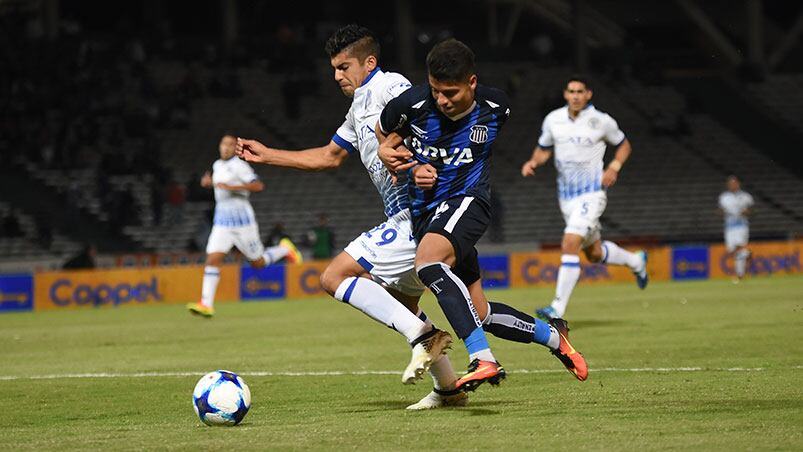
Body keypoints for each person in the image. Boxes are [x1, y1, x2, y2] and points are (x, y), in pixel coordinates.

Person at [238, 25, 462, 410]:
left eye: (344, 67)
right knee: (402, 304)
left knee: (334, 276)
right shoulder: (358, 107)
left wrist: (415, 158)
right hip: (404, 214)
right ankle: (450, 390)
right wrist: (268, 155)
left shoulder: (390, 86)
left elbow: (428, 117)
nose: (337, 76)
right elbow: (329, 156)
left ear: (369, 62)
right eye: (334, 69)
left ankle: (425, 338)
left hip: (418, 212)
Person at [377, 39, 587, 391]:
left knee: (428, 264)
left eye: (450, 92)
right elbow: (385, 135)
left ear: (471, 83)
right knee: (480, 311)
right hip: (426, 213)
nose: (442, 100)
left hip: (469, 201)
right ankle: (555, 336)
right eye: (435, 90)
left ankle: (483, 359)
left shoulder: (496, 107)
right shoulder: (409, 105)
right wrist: (395, 158)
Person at [520, 75, 648, 320]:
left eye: (580, 91)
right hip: (566, 197)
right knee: (595, 254)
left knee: (569, 243)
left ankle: (556, 307)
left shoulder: (601, 121)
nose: (575, 95)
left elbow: (624, 145)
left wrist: (614, 167)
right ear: (565, 94)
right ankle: (636, 262)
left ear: (589, 94)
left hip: (592, 193)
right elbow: (544, 149)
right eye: (571, 91)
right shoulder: (553, 120)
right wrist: (533, 162)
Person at [186, 135, 302, 318]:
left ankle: (284, 249)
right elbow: (218, 186)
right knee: (212, 259)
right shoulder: (217, 165)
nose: (226, 147)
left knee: (258, 263)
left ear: (235, 149)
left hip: (243, 223)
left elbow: (258, 185)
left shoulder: (240, 166)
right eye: (223, 143)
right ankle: (206, 304)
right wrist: (209, 184)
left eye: (230, 145)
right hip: (222, 223)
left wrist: (229, 187)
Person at [718, 175, 754, 282]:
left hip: (741, 225)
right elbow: (719, 211)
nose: (732, 185)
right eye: (730, 184)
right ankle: (746, 254)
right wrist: (723, 212)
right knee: (732, 250)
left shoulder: (746, 196)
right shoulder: (724, 197)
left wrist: (746, 212)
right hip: (729, 226)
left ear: (738, 184)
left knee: (738, 248)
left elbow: (752, 211)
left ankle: (739, 274)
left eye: (734, 183)